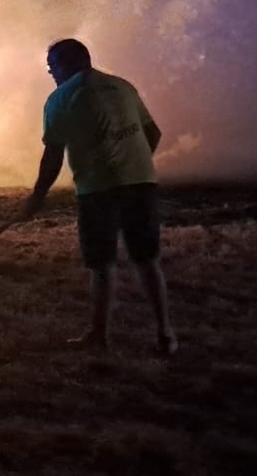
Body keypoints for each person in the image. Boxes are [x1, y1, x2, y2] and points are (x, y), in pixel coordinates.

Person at [21, 38, 177, 355]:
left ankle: (99, 335)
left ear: (66, 65)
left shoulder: (60, 99)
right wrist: (134, 164)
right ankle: (165, 335)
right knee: (147, 260)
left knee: (102, 264)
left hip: (98, 190)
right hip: (141, 184)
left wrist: (37, 197)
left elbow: (53, 155)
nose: (51, 73)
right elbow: (153, 133)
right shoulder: (123, 87)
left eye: (52, 67)